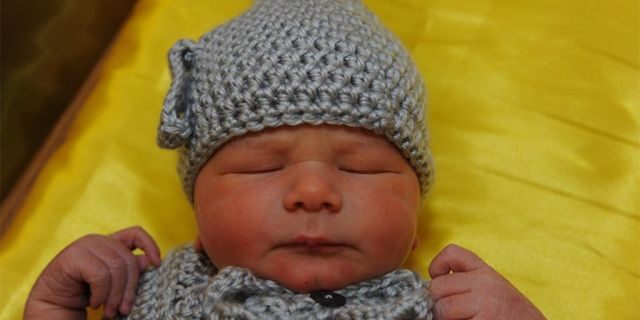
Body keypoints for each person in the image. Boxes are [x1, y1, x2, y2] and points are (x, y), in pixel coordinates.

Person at [24, 0, 546, 319]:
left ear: (415, 224)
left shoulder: (447, 310)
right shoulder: (147, 298)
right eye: (262, 166)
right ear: (198, 215)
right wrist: (55, 308)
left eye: (360, 167)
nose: (314, 192)